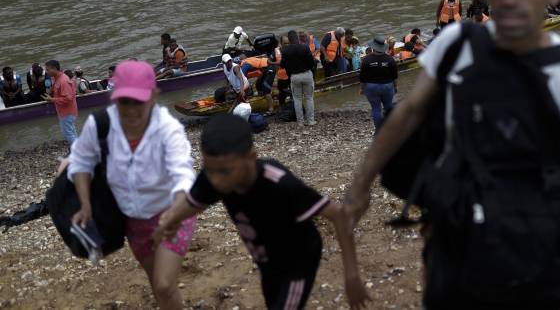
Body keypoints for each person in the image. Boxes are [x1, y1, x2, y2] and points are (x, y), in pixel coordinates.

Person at [345, 0, 560, 310]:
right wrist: (359, 186)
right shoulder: (455, 45)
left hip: (536, 252)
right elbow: (408, 113)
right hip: (454, 239)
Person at [152, 114, 369, 310]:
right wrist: (169, 220)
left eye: (225, 172)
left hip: (298, 262)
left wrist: (351, 275)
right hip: (266, 261)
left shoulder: (280, 184)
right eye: (210, 171)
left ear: (251, 157)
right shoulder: (215, 175)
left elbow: (339, 215)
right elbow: (195, 202)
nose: (216, 181)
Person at [69, 60, 196, 309]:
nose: (132, 110)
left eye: (139, 101)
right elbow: (81, 162)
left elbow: (183, 174)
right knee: (156, 284)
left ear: (153, 95)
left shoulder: (168, 129)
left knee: (163, 284)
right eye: (125, 101)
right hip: (132, 220)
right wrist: (85, 204)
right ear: (114, 98)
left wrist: (174, 215)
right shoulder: (100, 125)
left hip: (172, 214)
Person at [359, 37, 398, 133]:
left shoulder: (366, 60)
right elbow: (395, 76)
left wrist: (362, 89)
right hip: (387, 86)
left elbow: (362, 77)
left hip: (371, 87)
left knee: (376, 108)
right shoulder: (390, 59)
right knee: (389, 107)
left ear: (373, 47)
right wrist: (395, 87)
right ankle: (390, 128)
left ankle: (379, 130)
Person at [280, 30, 316, 127]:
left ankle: (300, 122)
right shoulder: (304, 47)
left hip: (294, 76)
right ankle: (311, 121)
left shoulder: (285, 50)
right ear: (297, 38)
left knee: (297, 99)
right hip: (306, 74)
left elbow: (282, 65)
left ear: (289, 39)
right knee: (309, 98)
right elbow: (312, 63)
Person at [42, 60, 79, 145]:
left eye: (47, 70)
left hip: (67, 112)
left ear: (54, 68)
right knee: (71, 131)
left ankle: (77, 153)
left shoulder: (63, 81)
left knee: (68, 134)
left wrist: (52, 100)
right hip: (65, 111)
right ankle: (77, 150)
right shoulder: (58, 78)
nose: (46, 72)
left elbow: (68, 98)